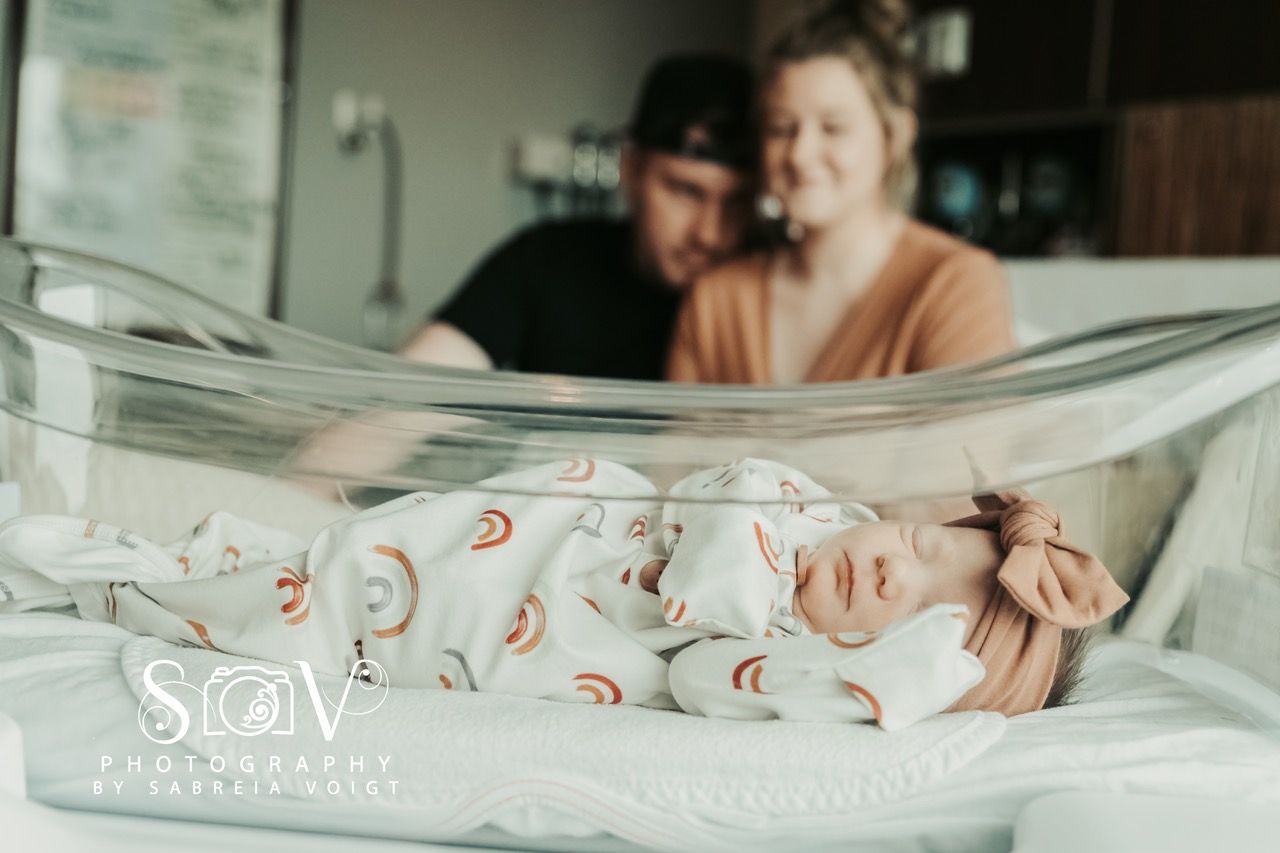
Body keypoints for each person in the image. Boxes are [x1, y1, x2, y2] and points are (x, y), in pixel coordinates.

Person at [0, 458, 1126, 731]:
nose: (892, 566)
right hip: (505, 541)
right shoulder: (796, 509)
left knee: (271, 618)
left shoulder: (785, 664)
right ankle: (105, 572)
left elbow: (700, 673)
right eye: (925, 541)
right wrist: (764, 579)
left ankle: (112, 584)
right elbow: (717, 499)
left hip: (441, 631)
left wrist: (872, 677)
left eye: (912, 612)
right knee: (293, 577)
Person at [667, 0, 1017, 385]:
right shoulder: (716, 300)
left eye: (833, 128)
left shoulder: (954, 285)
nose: (800, 155)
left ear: (895, 136)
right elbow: (679, 445)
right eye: (782, 129)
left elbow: (977, 444)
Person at [409, 53, 756, 380]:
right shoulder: (547, 260)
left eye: (739, 201)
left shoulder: (770, 296)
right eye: (685, 191)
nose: (710, 235)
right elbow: (418, 389)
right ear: (631, 168)